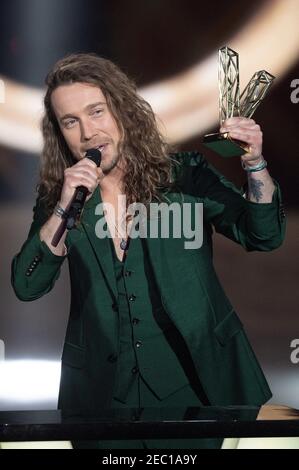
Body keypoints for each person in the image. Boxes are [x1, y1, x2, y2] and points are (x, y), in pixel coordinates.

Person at [11, 53, 286, 449]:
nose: (88, 132)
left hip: (195, 388)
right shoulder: (62, 197)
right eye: (71, 121)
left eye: (97, 111)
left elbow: (264, 235)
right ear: (59, 131)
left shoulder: (185, 175)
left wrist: (255, 163)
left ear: (123, 110)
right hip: (100, 398)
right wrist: (62, 207)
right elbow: (28, 284)